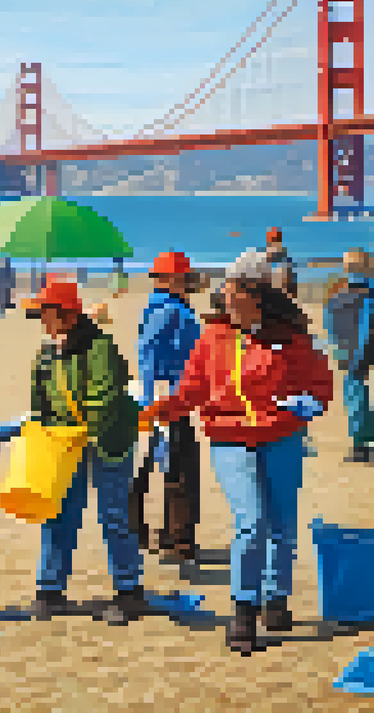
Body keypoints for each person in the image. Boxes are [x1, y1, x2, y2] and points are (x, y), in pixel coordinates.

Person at [144, 250, 333, 655]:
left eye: (232, 290)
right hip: (228, 437)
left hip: (282, 436)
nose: (224, 296)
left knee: (282, 522)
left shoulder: (293, 337)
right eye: (225, 290)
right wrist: (160, 410)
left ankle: (276, 598)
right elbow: (193, 389)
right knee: (252, 520)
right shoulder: (213, 336)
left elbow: (320, 384)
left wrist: (311, 403)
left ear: (256, 295)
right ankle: (244, 610)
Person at [0, 281, 147, 625]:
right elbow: (41, 405)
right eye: (40, 313)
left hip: (111, 439)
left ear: (67, 315)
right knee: (58, 513)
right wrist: (20, 427)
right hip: (65, 442)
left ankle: (129, 591)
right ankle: (50, 590)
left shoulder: (101, 348)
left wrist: (77, 430)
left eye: (46, 312)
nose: (41, 320)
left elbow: (104, 400)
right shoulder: (45, 355)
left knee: (114, 515)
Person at [128, 252, 205, 567]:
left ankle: (142, 535)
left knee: (147, 467)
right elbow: (152, 357)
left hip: (159, 396)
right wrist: (157, 400)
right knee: (179, 471)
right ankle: (177, 541)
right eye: (186, 278)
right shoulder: (171, 312)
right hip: (168, 397)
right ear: (174, 280)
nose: (190, 282)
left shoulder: (159, 307)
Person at [325, 248, 374, 463]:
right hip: (359, 343)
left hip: (352, 348)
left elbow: (332, 328)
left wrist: (340, 352)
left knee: (355, 393)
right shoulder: (363, 292)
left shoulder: (337, 295)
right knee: (356, 393)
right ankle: (362, 444)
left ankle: (361, 446)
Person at [263, 227, 298, 298]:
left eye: (276, 240)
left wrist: (292, 295)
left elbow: (292, 281)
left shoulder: (286, 260)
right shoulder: (262, 260)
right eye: (272, 240)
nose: (274, 243)